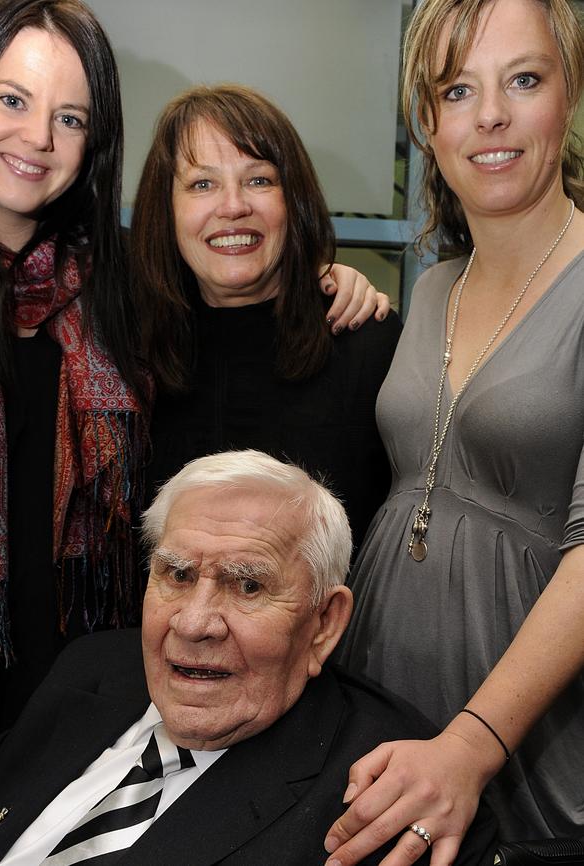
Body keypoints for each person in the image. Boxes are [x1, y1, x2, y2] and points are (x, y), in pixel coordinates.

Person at [0, 0, 385, 765]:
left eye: (70, 118)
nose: (38, 137)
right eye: (12, 99)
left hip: (83, 706)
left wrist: (334, 279)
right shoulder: (129, 308)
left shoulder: (105, 297)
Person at [0, 450, 498, 866]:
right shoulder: (95, 667)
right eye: (177, 575)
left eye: (247, 587)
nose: (194, 623)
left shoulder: (377, 798)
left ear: (324, 624)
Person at [326, 0, 584, 863]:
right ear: (427, 121)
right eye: (457, 89)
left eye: (524, 79)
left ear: (569, 90)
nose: (493, 116)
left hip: (520, 748)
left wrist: (473, 744)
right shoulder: (432, 288)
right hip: (379, 706)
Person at [131, 84, 402, 548]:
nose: (233, 206)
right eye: (202, 184)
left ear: (293, 202)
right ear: (166, 211)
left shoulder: (366, 341)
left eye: (259, 180)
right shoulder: (128, 354)